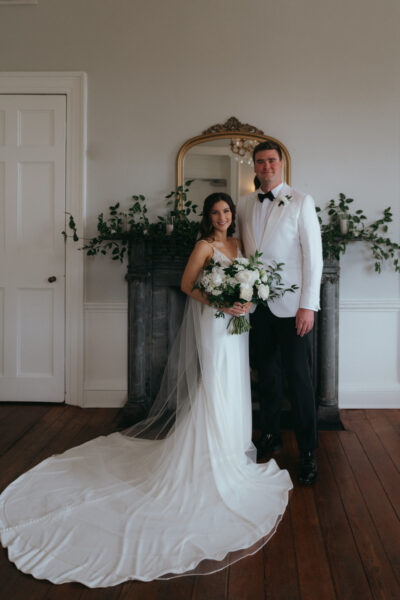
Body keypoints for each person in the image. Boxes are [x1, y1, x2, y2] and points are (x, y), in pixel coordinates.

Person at [0, 193, 292, 588]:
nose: (222, 217)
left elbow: (252, 283)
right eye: (216, 212)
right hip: (214, 325)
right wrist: (221, 303)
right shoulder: (204, 246)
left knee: (235, 382)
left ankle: (232, 450)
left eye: (226, 211)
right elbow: (189, 286)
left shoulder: (240, 245)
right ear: (207, 218)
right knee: (216, 382)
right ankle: (210, 455)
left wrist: (244, 302)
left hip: (237, 329)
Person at [236, 141, 323, 486]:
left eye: (272, 161)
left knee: (299, 381)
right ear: (254, 166)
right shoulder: (243, 204)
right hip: (258, 307)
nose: (266, 166)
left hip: (293, 309)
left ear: (281, 164)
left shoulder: (302, 201)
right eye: (260, 161)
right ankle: (270, 435)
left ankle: (308, 452)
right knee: (267, 377)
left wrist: (308, 305)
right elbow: (243, 252)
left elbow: (312, 258)